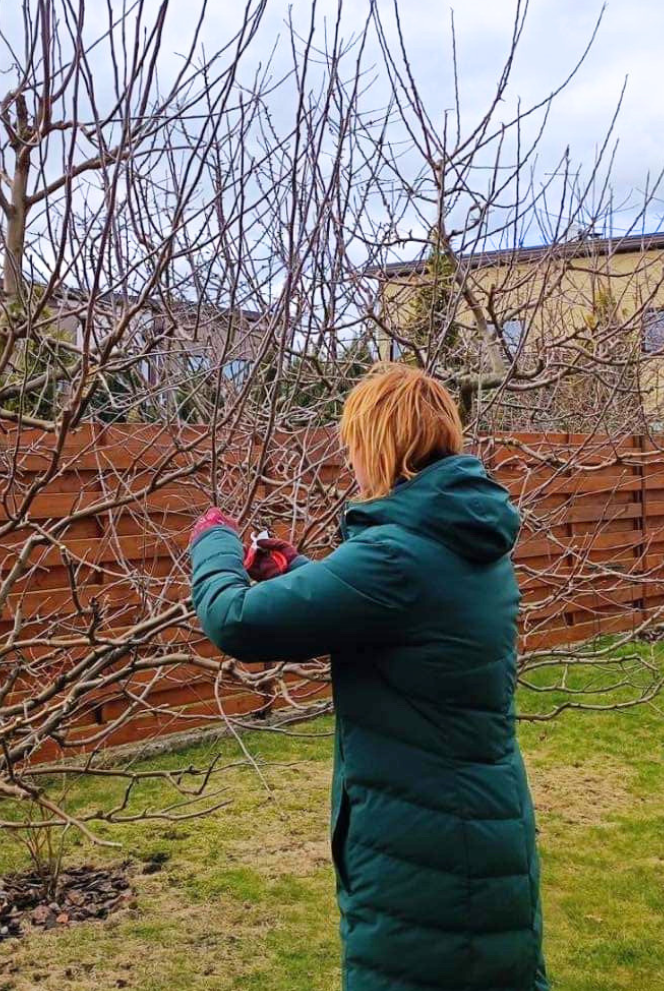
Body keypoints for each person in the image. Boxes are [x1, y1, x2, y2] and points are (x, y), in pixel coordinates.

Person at [189, 363, 548, 991]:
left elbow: (235, 621)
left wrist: (213, 543)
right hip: (474, 825)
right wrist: (297, 570)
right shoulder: (465, 540)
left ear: (382, 445)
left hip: (423, 850)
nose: (351, 459)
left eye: (354, 443)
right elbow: (393, 615)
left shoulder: (394, 557)